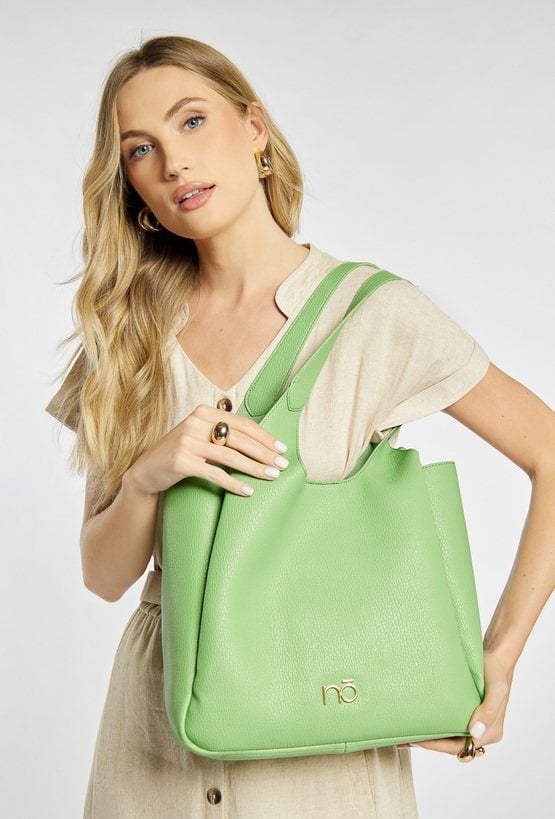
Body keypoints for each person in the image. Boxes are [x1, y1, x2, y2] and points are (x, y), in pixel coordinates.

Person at [45, 34, 555, 819]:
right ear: (132, 185)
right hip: (150, 749)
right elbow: (104, 576)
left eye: (191, 121)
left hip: (320, 732)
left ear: (254, 129)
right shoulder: (128, 337)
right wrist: (149, 473)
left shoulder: (369, 311)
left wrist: (499, 656)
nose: (173, 163)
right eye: (140, 149)